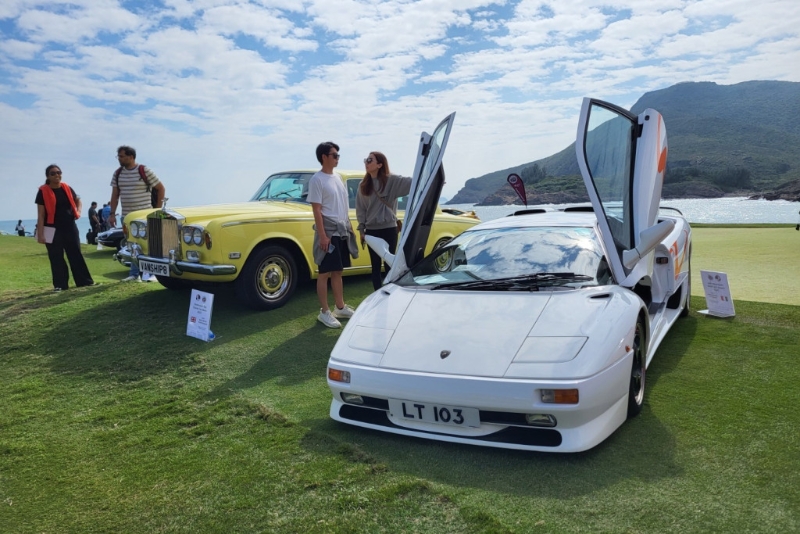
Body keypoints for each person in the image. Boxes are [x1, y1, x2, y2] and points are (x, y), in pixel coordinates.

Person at [308, 141, 358, 328]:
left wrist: (350, 227)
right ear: (324, 157)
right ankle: (324, 312)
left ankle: (340, 307)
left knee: (338, 270)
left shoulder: (338, 178)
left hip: (341, 231)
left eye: (338, 155)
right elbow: (317, 209)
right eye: (334, 155)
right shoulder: (317, 180)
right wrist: (322, 235)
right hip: (328, 232)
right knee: (324, 272)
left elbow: (343, 206)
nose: (337, 158)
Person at [356, 151, 412, 290]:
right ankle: (378, 294)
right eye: (366, 160)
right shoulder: (363, 185)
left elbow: (413, 182)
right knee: (375, 266)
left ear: (380, 164)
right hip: (371, 230)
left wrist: (432, 180)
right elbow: (361, 209)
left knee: (390, 264)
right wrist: (362, 230)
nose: (366, 163)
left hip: (389, 228)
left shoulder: (392, 180)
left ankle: (391, 293)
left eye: (370, 160)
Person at [108, 145, 165, 281]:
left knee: (148, 245)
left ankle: (150, 274)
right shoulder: (117, 173)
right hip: (127, 216)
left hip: (144, 215)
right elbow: (115, 195)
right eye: (118, 156)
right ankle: (134, 274)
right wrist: (112, 214)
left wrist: (156, 210)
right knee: (132, 245)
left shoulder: (144, 170)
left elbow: (161, 188)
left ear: (131, 157)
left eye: (122, 156)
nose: (119, 159)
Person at [35, 165, 94, 291]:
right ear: (48, 176)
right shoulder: (43, 191)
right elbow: (41, 214)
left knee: (75, 254)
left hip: (69, 226)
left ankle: (85, 282)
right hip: (52, 228)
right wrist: (40, 234)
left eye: (59, 172)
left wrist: (78, 212)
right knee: (56, 257)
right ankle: (60, 285)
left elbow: (78, 200)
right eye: (53, 173)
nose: (57, 175)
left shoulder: (67, 187)